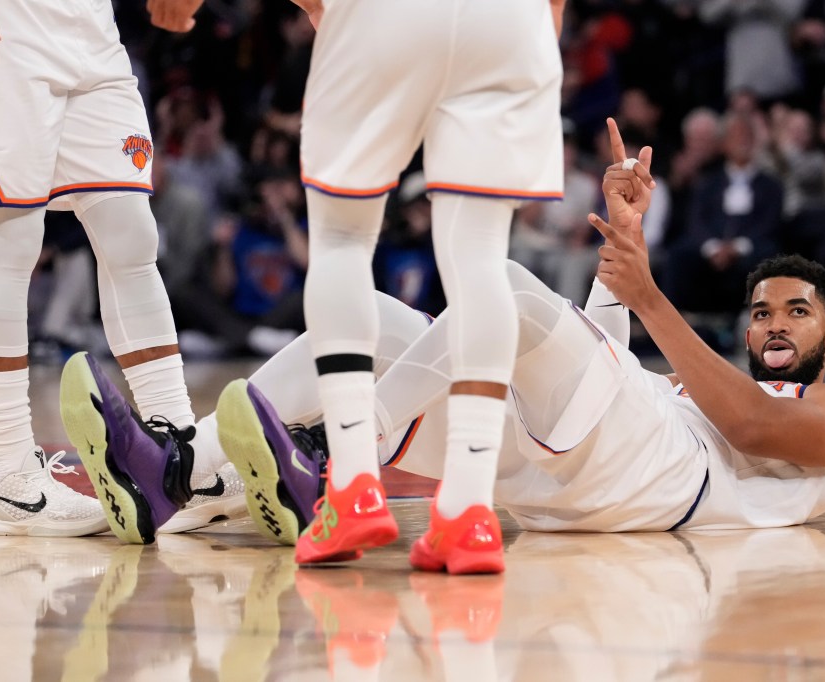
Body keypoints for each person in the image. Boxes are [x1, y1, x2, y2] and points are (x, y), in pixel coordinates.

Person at [208, 119, 825, 546]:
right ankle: (188, 478)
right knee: (373, 320)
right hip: (559, 495)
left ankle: (341, 454)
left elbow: (754, 428)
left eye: (796, 311)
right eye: (762, 312)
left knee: (506, 287)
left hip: (657, 483)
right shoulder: (691, 388)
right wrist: (626, 233)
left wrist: (646, 296)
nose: (775, 322)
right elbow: (605, 368)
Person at [145, 0, 569, 572]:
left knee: (342, 237)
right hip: (511, 21)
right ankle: (468, 512)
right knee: (481, 257)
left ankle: (352, 489)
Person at [0, 0, 232, 539]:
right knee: (11, 238)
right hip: (1, 21)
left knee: (132, 232)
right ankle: (12, 480)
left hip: (90, 24)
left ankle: (178, 462)